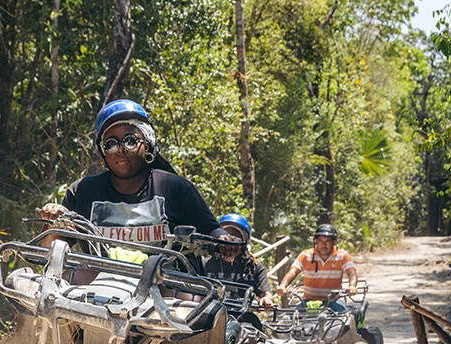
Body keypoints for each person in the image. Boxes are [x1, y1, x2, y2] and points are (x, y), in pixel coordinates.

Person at [39, 100, 233, 249]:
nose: (120, 150)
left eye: (130, 140)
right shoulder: (83, 191)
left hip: (164, 290)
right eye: (111, 144)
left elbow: (212, 231)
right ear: (103, 152)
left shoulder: (175, 188)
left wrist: (225, 240)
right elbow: (51, 251)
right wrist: (51, 222)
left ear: (147, 145)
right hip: (94, 291)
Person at [276, 223, 357, 312]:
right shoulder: (306, 255)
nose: (323, 245)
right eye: (320, 241)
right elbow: (293, 271)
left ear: (334, 242)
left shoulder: (342, 256)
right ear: (315, 241)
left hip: (332, 301)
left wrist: (352, 286)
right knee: (290, 319)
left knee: (344, 318)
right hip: (308, 301)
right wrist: (282, 286)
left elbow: (351, 272)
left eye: (327, 241)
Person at [203, 213, 274, 309]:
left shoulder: (254, 268)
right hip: (209, 313)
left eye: (235, 237)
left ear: (243, 242)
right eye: (226, 237)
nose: (229, 243)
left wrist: (266, 299)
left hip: (241, 316)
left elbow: (266, 293)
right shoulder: (205, 264)